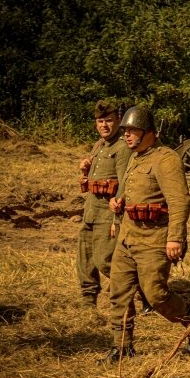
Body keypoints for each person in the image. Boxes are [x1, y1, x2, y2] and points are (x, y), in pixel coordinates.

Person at [99, 106, 190, 363]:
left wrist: (175, 238)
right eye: (126, 131)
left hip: (154, 240)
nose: (127, 136)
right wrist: (117, 207)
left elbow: (180, 201)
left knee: (155, 294)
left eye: (132, 131)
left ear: (149, 133)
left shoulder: (165, 159)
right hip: (127, 237)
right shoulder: (135, 157)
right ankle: (121, 348)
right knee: (118, 293)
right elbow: (129, 190)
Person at [76, 100, 131, 311]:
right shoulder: (99, 145)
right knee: (85, 259)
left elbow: (125, 183)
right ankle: (88, 301)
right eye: (100, 121)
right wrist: (83, 170)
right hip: (90, 210)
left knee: (104, 260)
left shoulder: (122, 147)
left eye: (109, 120)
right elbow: (92, 179)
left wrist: (117, 215)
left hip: (107, 215)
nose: (104, 125)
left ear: (118, 121)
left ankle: (138, 290)